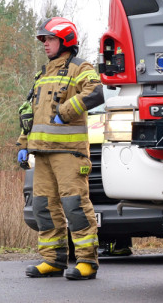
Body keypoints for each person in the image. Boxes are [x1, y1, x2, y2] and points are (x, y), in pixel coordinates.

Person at [17, 17, 105, 280]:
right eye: (43, 39)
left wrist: (65, 112)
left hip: (69, 154)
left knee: (74, 205)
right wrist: (23, 145)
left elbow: (96, 92)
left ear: (66, 40)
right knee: (43, 207)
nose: (45, 44)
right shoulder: (42, 74)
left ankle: (87, 261)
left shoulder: (81, 67)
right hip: (42, 153)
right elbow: (28, 113)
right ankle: (53, 260)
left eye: (50, 39)